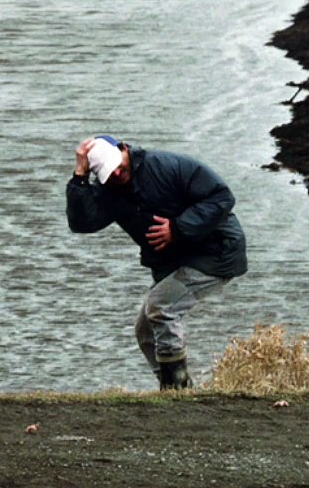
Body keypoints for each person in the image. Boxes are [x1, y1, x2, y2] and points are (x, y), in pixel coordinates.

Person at [66, 135, 247, 390]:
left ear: (123, 148)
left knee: (160, 307)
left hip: (216, 251)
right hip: (175, 261)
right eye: (109, 172)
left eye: (118, 165)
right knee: (146, 330)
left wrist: (178, 227)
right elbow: (82, 223)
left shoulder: (166, 166)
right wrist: (79, 178)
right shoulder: (109, 190)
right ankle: (175, 389)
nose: (117, 172)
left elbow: (221, 197)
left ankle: (177, 391)